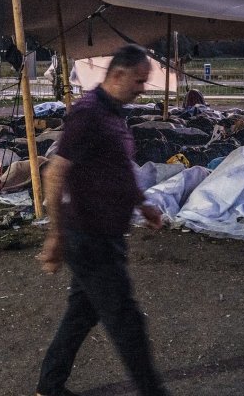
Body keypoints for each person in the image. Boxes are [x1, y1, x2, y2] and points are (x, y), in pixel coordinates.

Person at [35, 44, 170, 396]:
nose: (143, 88)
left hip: (106, 234)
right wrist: (55, 235)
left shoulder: (113, 113)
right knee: (126, 321)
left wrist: (142, 204)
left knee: (81, 313)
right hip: (88, 237)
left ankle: (49, 387)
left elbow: (118, 170)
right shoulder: (89, 114)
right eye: (139, 81)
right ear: (118, 75)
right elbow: (55, 171)